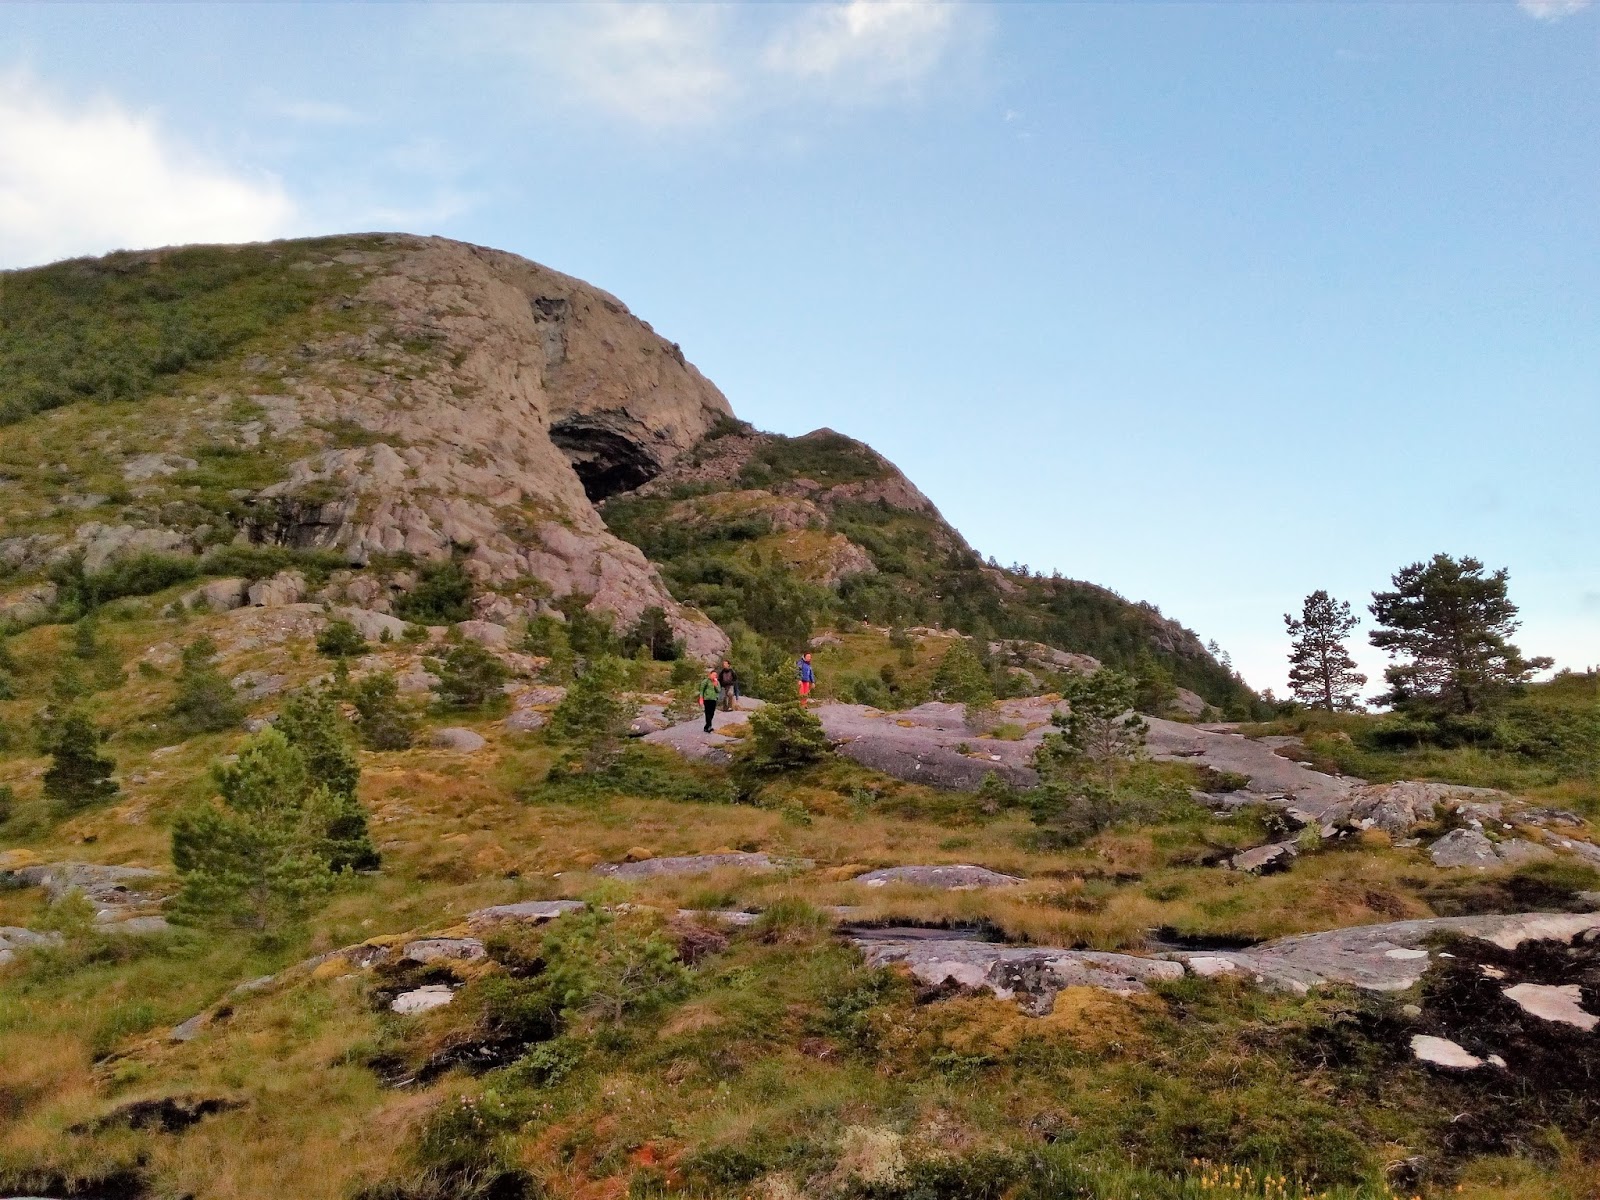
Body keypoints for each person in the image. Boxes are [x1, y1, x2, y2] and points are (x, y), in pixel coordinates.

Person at [698, 669, 721, 733]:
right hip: (707, 699)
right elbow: (701, 690)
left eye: (715, 675)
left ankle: (706, 726)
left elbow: (719, 690)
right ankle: (709, 726)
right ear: (710, 675)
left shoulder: (717, 682)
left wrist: (715, 685)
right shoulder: (706, 681)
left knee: (712, 713)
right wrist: (701, 698)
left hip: (714, 698)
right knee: (707, 712)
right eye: (713, 675)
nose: (714, 676)